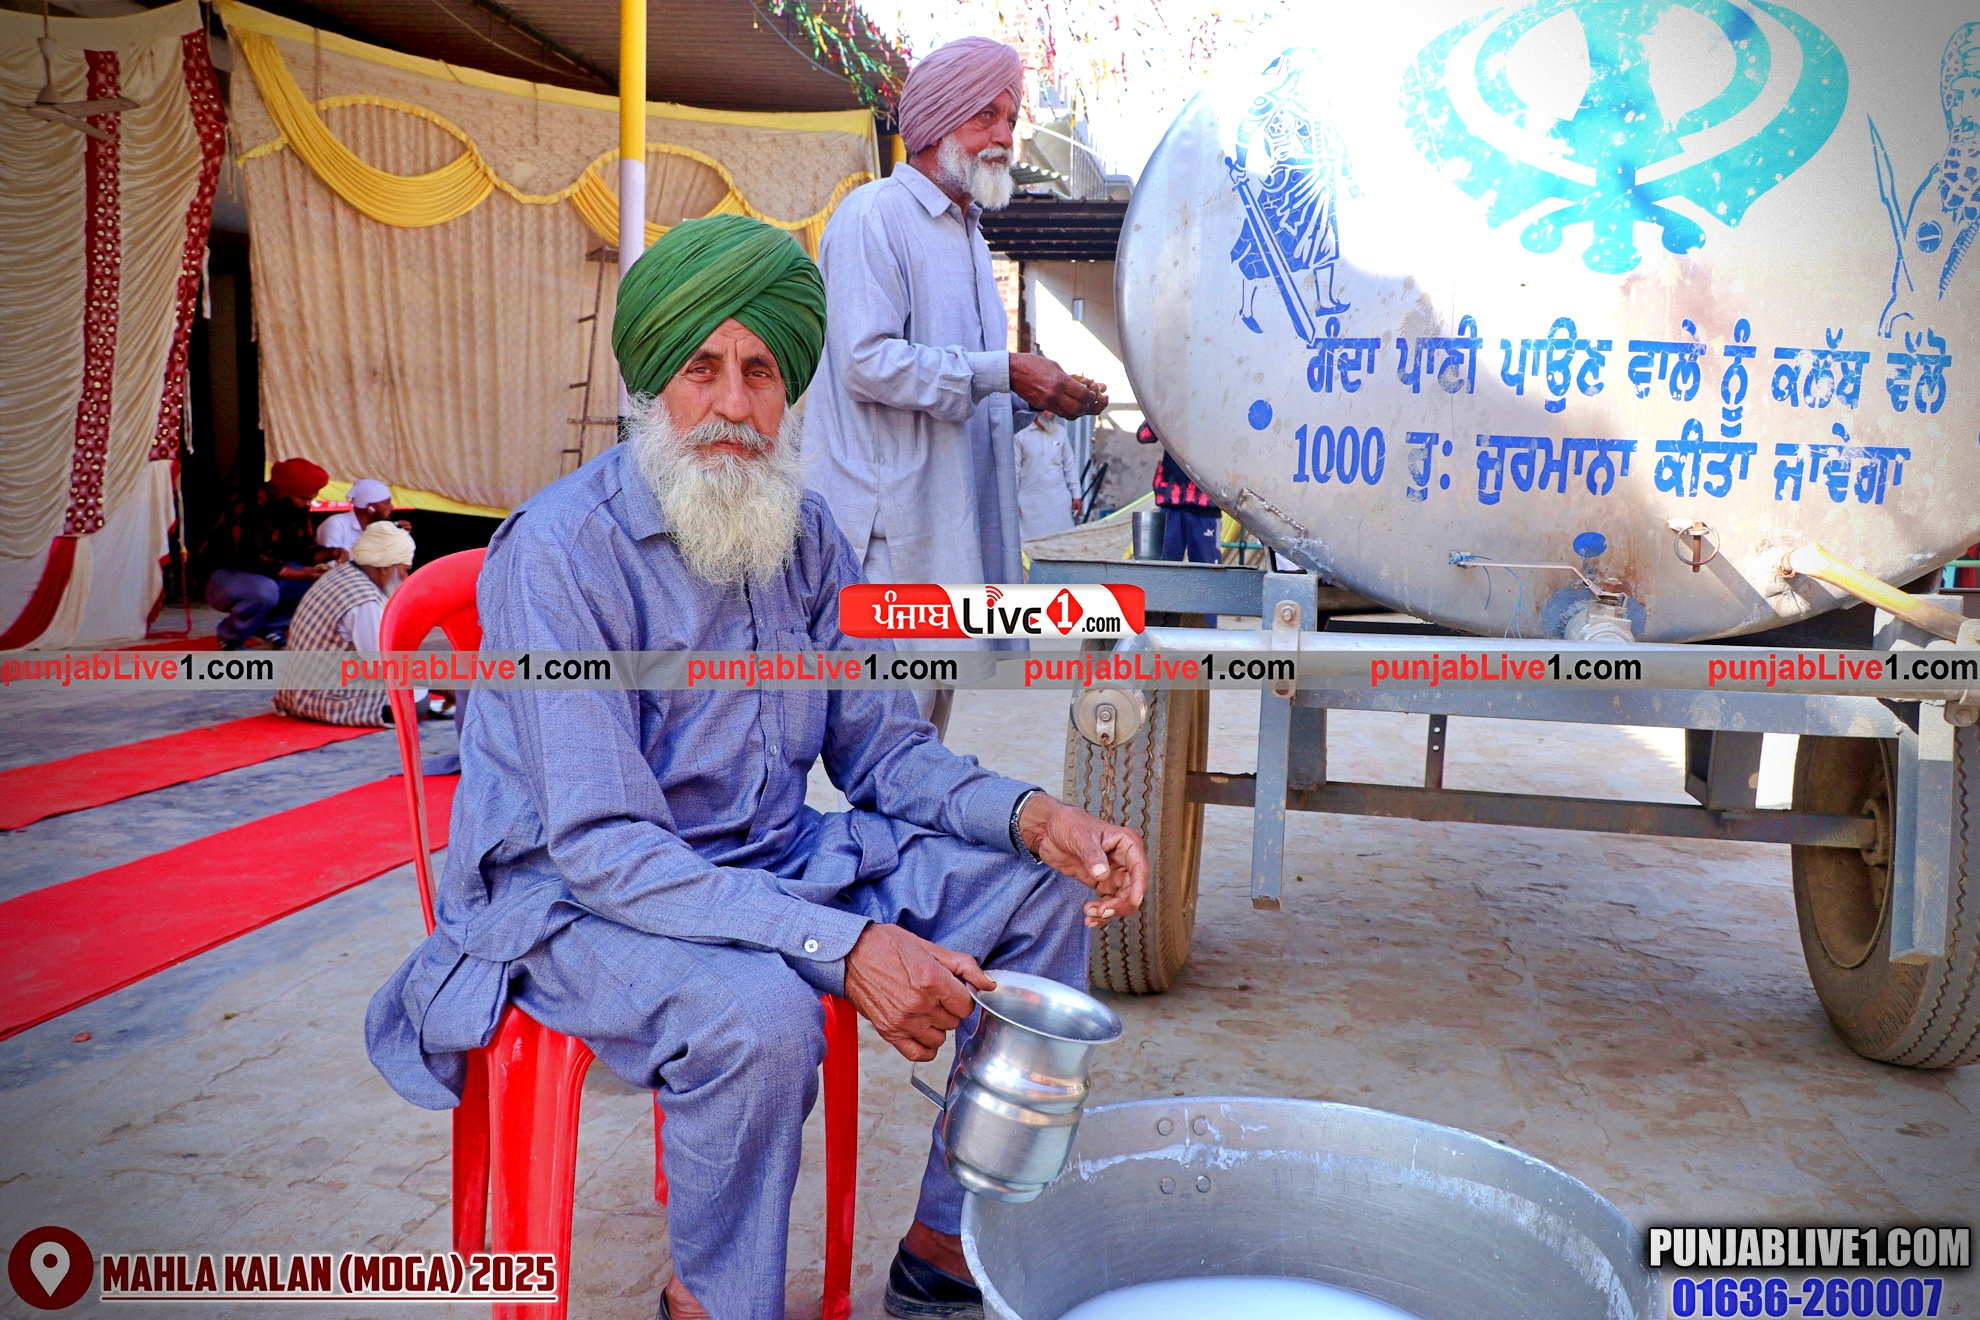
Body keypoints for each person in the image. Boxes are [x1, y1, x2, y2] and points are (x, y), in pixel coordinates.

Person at [363, 215, 1149, 1320]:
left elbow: (882, 749)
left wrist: (1030, 817)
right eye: (702, 369)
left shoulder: (807, 534)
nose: (733, 405)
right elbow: (601, 845)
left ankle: (946, 1247)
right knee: (764, 1018)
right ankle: (707, 1302)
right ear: (651, 383)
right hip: (574, 898)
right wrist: (845, 943)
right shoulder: (557, 554)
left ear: (790, 393)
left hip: (770, 857)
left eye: (761, 372)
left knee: (1038, 896)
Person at [803, 36, 1108, 732]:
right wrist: (1006, 370)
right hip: (891, 538)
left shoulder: (969, 236)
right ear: (938, 122)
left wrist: (1038, 394)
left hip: (951, 533)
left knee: (926, 736)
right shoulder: (875, 216)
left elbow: (962, 383)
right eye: (985, 117)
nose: (1003, 137)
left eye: (1011, 119)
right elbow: (865, 362)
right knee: (891, 742)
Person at [273, 521, 414, 727]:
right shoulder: (365, 599)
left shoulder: (342, 573)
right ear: (385, 568)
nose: (406, 577)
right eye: (405, 569)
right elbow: (382, 663)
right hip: (326, 699)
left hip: (297, 692)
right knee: (416, 696)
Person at [202, 457, 337, 649]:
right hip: (224, 575)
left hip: (266, 572)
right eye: (304, 498)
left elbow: (305, 549)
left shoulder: (295, 506)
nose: (308, 504)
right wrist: (299, 574)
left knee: (321, 584)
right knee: (264, 591)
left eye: (311, 498)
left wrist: (334, 553)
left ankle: (267, 627)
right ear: (283, 491)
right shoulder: (249, 503)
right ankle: (230, 638)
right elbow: (248, 557)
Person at [1137, 420, 1223, 624]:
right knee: (1163, 573)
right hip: (1171, 503)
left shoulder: (1220, 412)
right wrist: (1165, 408)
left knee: (1207, 577)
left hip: (1205, 504)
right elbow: (1144, 435)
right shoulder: (1174, 411)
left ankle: (1207, 634)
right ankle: (1160, 629)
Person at [1016, 411, 1081, 543]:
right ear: (1037, 410)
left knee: (1062, 543)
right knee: (1031, 546)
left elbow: (1070, 465)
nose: (1052, 413)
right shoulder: (1021, 434)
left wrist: (1077, 495)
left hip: (1059, 502)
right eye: (1048, 409)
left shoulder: (1061, 432)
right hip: (1030, 505)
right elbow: (1014, 469)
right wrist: (1012, 500)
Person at [313, 478, 407, 555]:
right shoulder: (335, 525)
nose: (391, 508)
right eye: (387, 503)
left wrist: (400, 537)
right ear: (371, 508)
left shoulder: (382, 529)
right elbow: (332, 566)